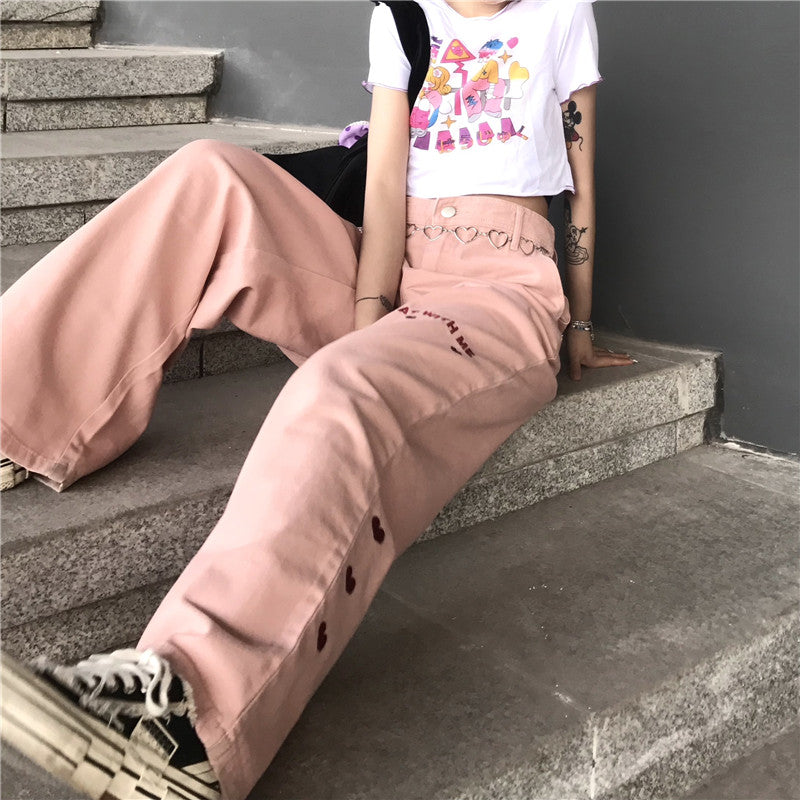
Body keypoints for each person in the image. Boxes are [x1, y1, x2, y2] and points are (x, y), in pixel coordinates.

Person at [0, 1, 635, 798]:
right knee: (209, 174)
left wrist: (578, 322)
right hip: (389, 263)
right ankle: (15, 410)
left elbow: (581, 183)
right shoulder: (402, 15)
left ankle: (186, 722)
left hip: (500, 286)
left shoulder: (562, 14)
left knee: (341, 386)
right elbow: (385, 179)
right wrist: (370, 313)